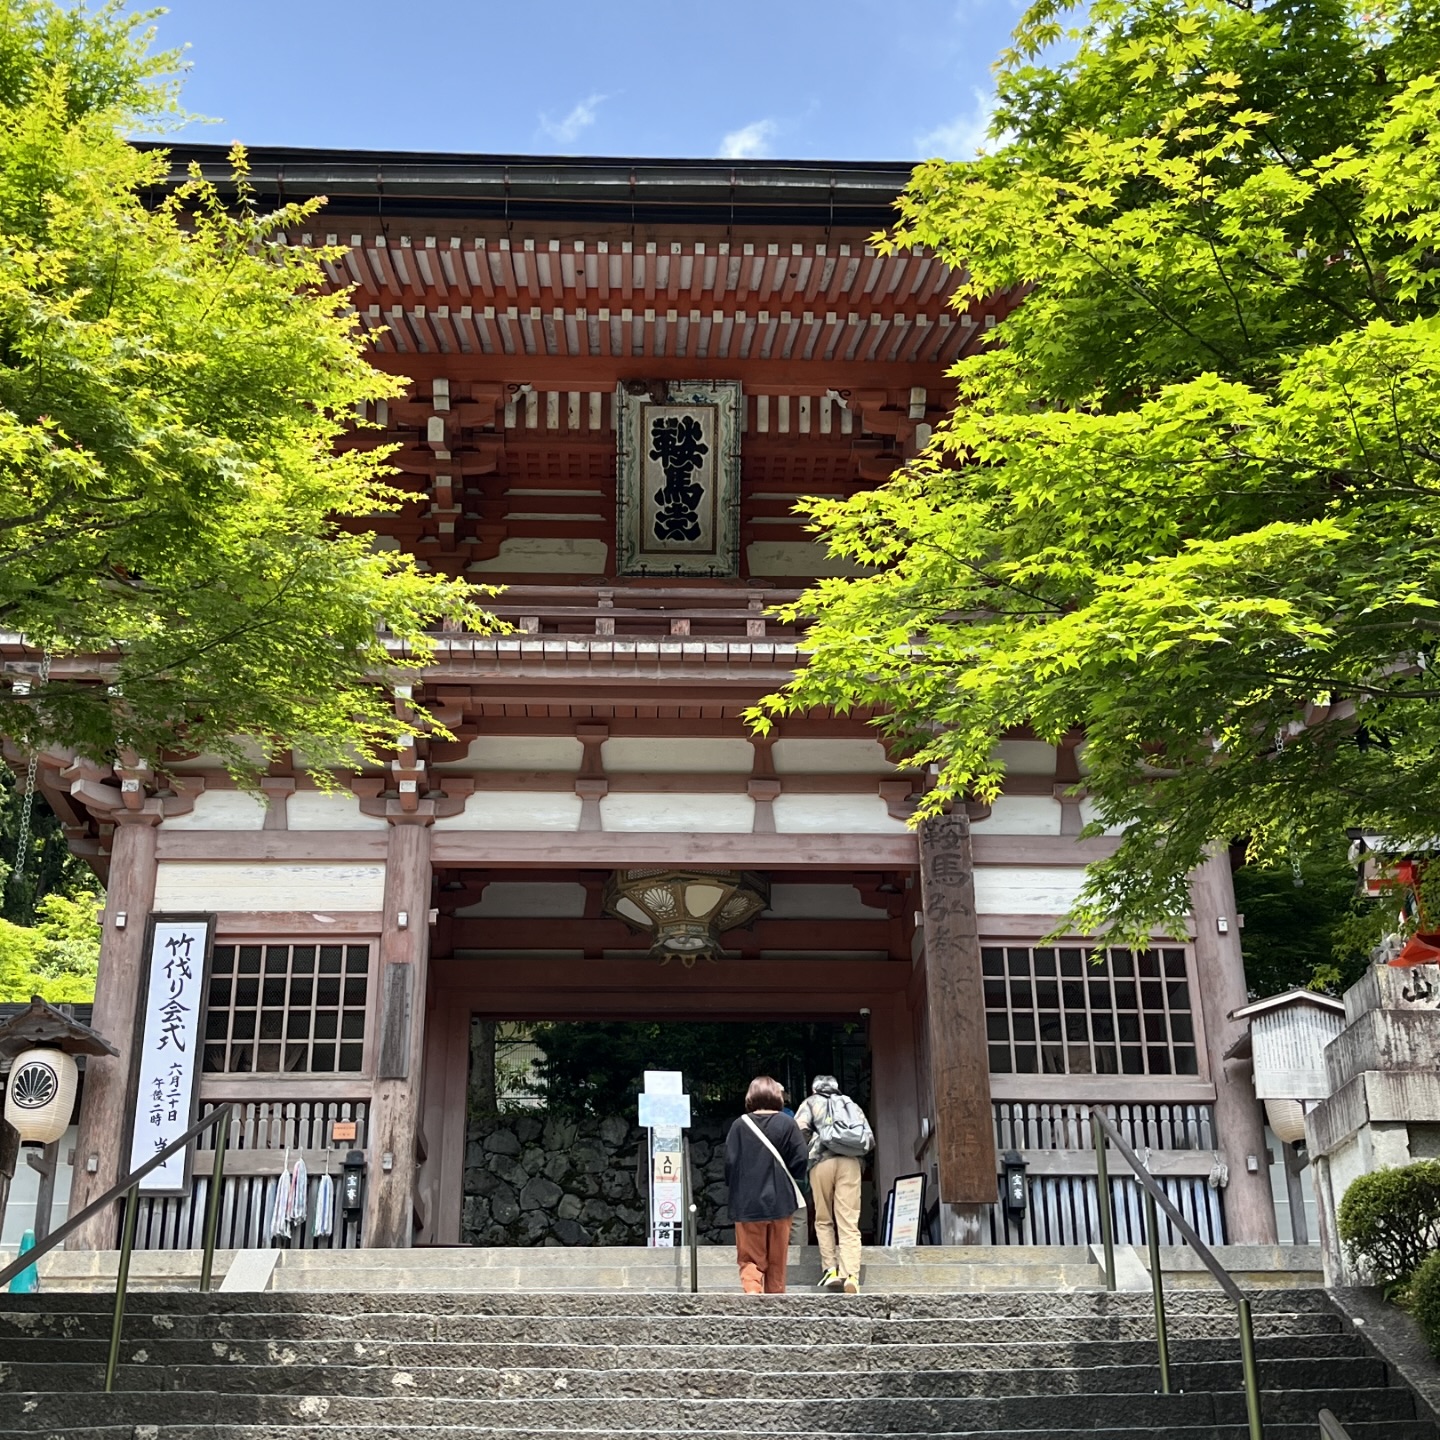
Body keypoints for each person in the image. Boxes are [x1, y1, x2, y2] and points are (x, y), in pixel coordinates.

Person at [724, 1075, 808, 1294]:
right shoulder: (787, 1123)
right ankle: (775, 1300)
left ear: (751, 1096)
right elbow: (801, 1159)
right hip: (781, 1202)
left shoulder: (739, 1125)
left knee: (750, 1257)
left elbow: (730, 1164)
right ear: (776, 1096)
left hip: (748, 1203)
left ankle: (752, 1292)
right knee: (777, 1259)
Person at [795, 1074, 872, 1295]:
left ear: (814, 1089)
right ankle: (852, 1276)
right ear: (836, 1088)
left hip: (822, 1162)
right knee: (849, 1220)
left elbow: (799, 1129)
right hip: (850, 1163)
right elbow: (867, 1137)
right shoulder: (850, 1104)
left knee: (823, 1219)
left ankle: (831, 1270)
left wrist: (811, 1145)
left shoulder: (810, 1103)